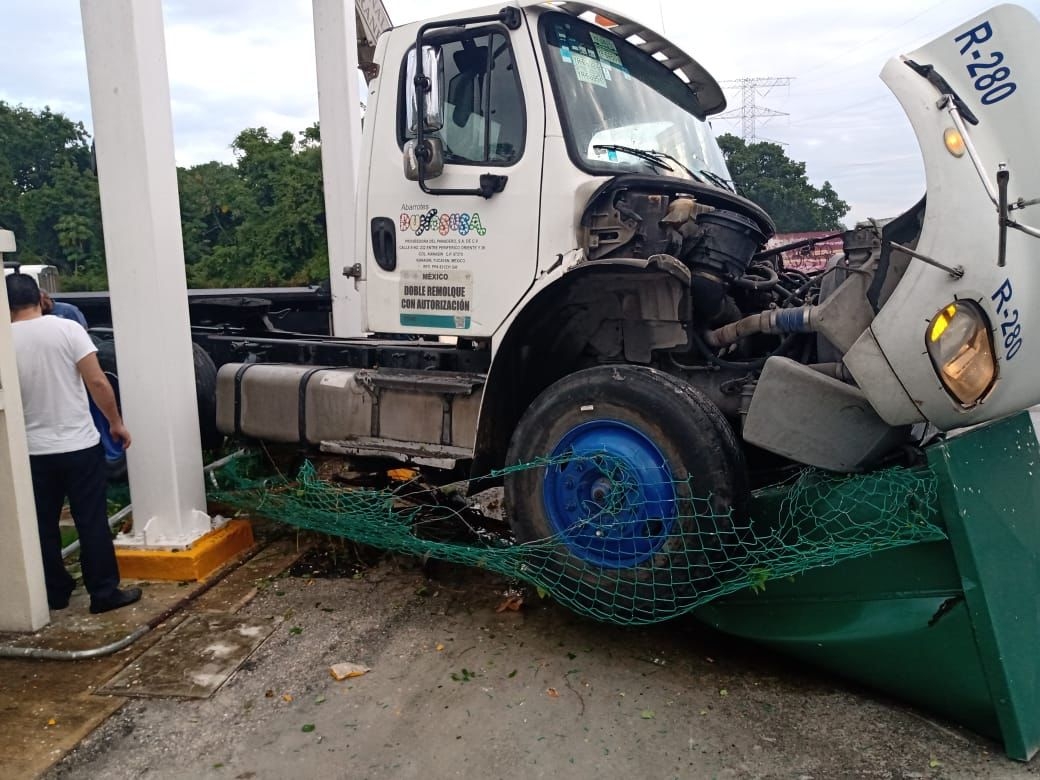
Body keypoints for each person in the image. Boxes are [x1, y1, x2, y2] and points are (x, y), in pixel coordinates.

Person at [6, 273, 141, 614]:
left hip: (31, 452)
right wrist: (116, 423)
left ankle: (54, 593)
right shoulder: (67, 329)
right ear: (40, 298)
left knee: (42, 524)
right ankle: (103, 593)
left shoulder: (4, 339)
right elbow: (97, 381)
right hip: (79, 445)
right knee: (91, 519)